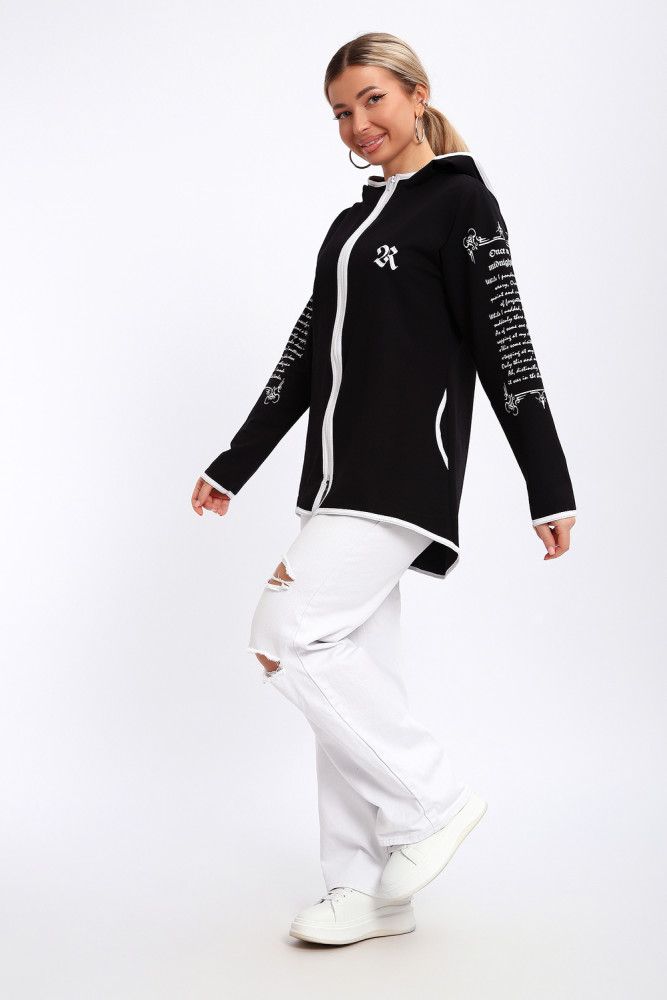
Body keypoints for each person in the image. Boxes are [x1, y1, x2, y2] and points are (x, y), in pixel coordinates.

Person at [191, 32, 577, 947]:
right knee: (346, 684)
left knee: (284, 636)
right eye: (340, 111)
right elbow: (303, 355)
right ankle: (364, 891)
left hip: (400, 476)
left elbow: (506, 344)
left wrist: (548, 485)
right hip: (333, 480)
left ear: (415, 95)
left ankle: (430, 802)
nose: (356, 123)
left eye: (371, 99)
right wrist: (233, 464)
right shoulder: (349, 225)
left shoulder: (462, 204)